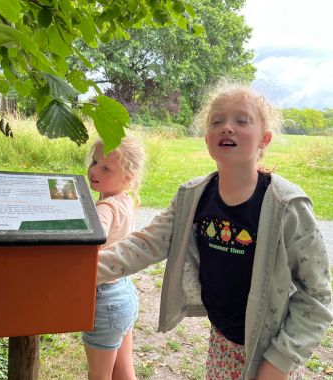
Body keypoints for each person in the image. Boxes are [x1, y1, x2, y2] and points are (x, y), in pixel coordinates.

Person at [96, 81, 332, 379]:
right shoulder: (194, 196)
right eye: (217, 121)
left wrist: (280, 361)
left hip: (271, 351)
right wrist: (84, 269)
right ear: (207, 140)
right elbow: (145, 244)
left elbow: (317, 294)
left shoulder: (287, 206)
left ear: (265, 139)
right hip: (222, 343)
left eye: (241, 121)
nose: (227, 128)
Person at [82, 136, 144, 380]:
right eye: (94, 161)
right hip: (124, 295)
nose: (94, 170)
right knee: (124, 373)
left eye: (105, 168)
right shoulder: (125, 200)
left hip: (104, 301)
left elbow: (90, 246)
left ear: (127, 178)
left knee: (99, 375)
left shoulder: (104, 209)